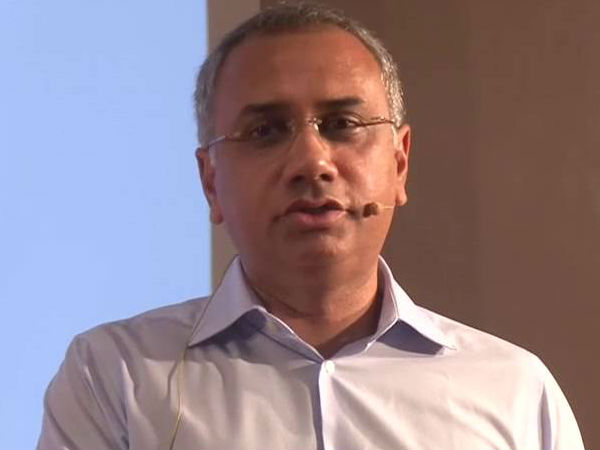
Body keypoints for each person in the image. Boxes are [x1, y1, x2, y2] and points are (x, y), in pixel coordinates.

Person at [37, 3, 584, 449]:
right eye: (266, 131)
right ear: (211, 181)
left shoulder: (514, 391)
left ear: (399, 163)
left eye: (343, 124)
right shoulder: (113, 377)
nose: (312, 161)